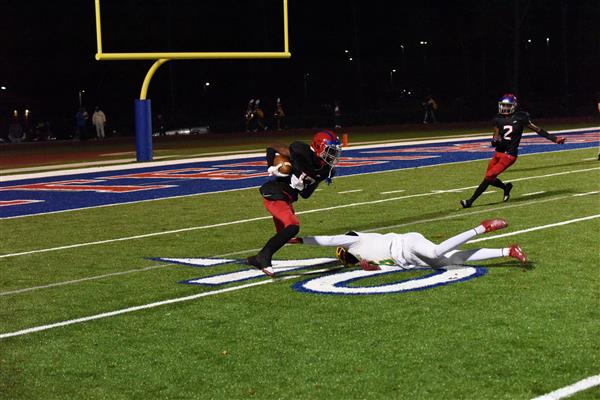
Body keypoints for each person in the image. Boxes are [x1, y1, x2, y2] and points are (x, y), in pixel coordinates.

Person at [246, 130, 343, 276]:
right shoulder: (300, 151)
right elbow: (272, 146)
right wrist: (272, 167)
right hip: (276, 192)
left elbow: (305, 194)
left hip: (288, 198)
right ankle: (263, 257)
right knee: (292, 226)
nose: (333, 156)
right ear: (318, 147)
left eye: (335, 152)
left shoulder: (325, 170)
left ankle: (256, 258)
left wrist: (309, 181)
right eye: (330, 151)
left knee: (286, 235)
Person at [460, 93, 566, 208]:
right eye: (503, 105)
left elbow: (538, 130)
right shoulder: (497, 118)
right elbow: (495, 137)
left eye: (507, 105)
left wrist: (554, 139)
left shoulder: (521, 117)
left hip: (509, 155)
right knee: (490, 178)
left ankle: (470, 202)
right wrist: (495, 140)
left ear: (514, 106)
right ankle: (506, 188)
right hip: (499, 152)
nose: (505, 108)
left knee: (489, 176)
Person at [298, 218, 527, 271]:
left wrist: (299, 240)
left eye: (342, 254)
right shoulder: (364, 258)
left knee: (437, 251)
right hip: (406, 259)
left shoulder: (355, 239)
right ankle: (508, 250)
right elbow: (387, 265)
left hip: (407, 243)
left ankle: (482, 227)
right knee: (453, 260)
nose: (344, 256)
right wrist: (374, 268)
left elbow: (327, 240)